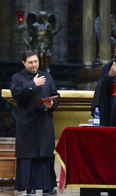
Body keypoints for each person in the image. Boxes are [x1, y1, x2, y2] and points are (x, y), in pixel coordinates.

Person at [10, 49, 60, 194]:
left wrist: (52, 104)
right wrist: (32, 84)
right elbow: (17, 94)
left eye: (36, 61)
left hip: (44, 121)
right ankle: (29, 187)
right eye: (30, 62)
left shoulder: (47, 76)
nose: (34, 65)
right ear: (23, 63)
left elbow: (55, 94)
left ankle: (47, 187)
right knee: (28, 156)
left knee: (45, 155)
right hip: (27, 123)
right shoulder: (17, 77)